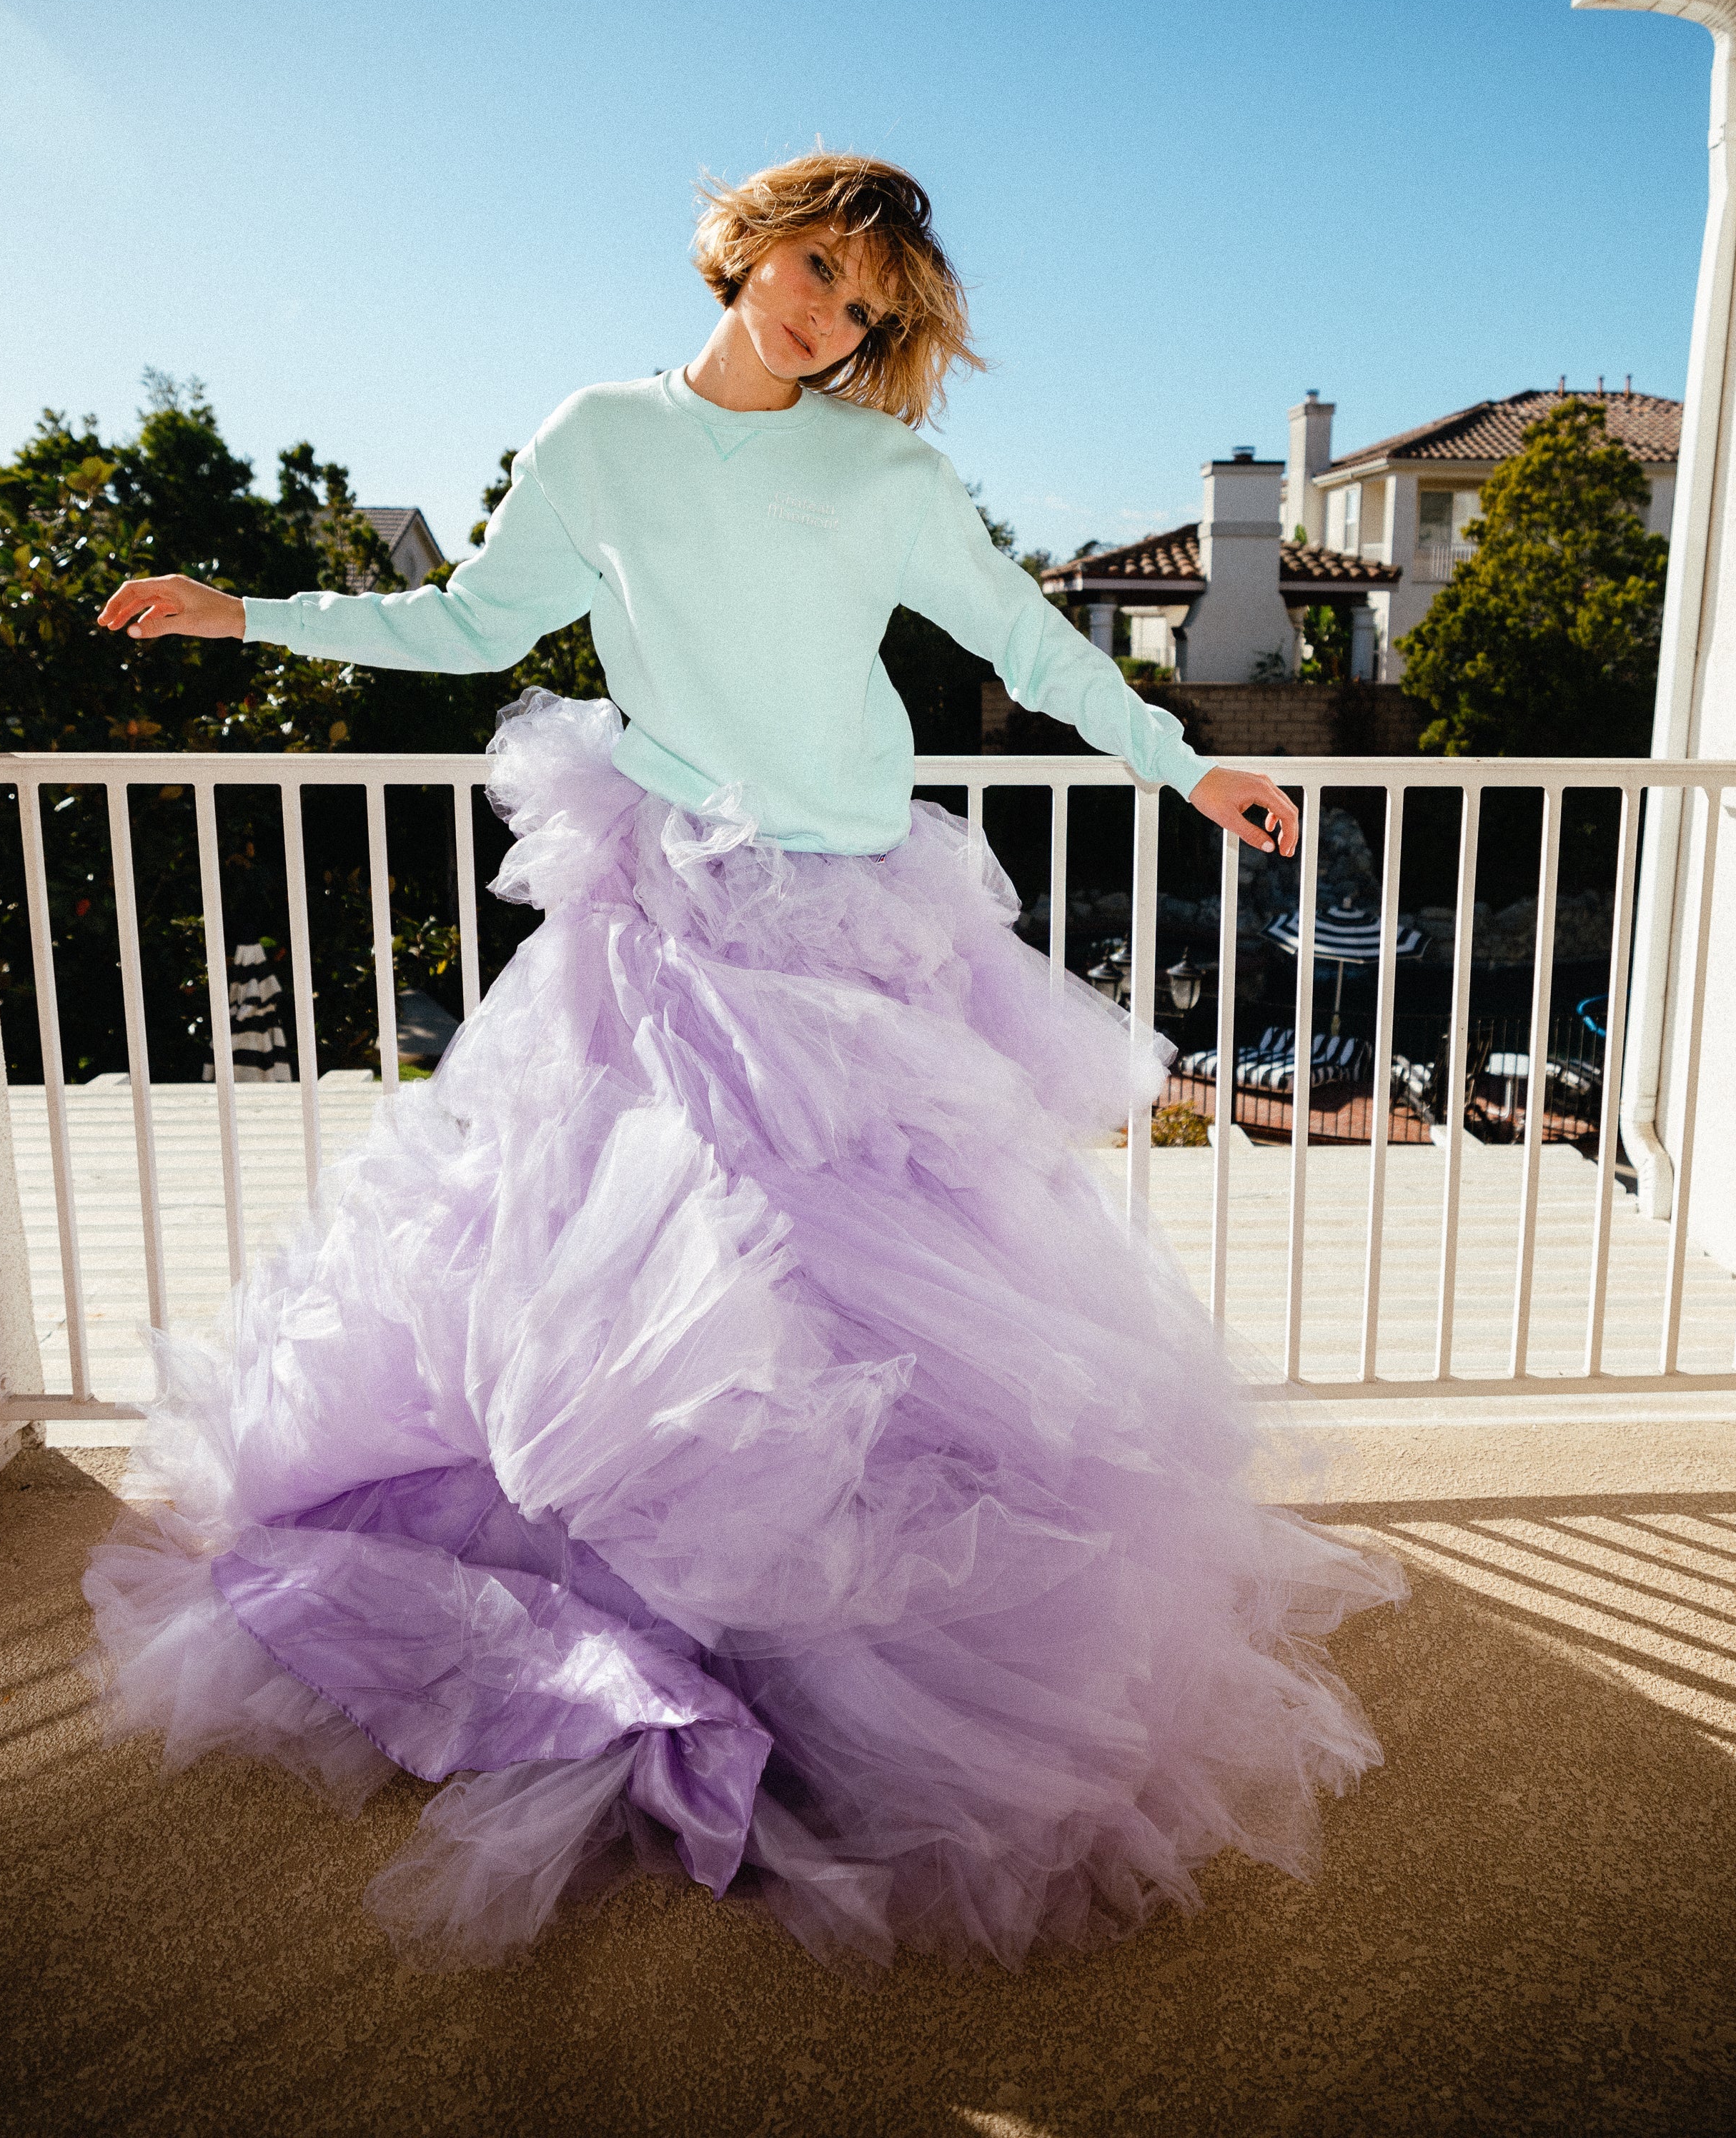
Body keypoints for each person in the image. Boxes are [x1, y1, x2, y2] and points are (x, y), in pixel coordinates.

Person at [86, 152, 1402, 1969]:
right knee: (642, 1284)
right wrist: (247, 613)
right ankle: (649, 1643)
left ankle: (837, 1680)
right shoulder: (601, 439)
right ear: (742, 248)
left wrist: (1195, 765)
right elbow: (470, 624)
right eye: (807, 269)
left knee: (875, 1299)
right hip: (670, 906)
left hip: (858, 912)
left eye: (861, 306)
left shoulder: (884, 470)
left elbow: (1029, 640)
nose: (823, 316)